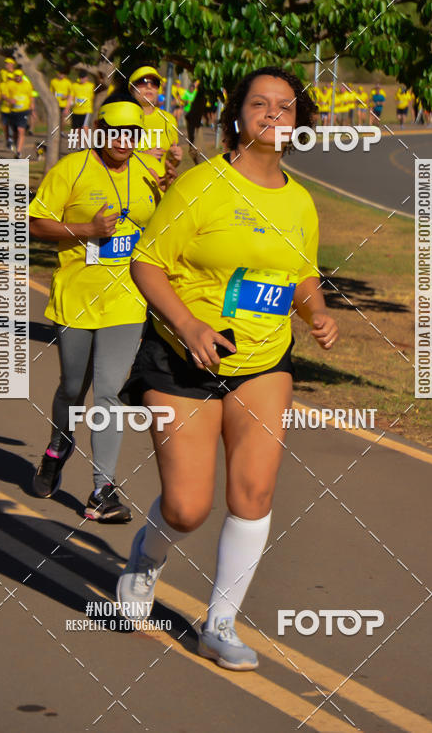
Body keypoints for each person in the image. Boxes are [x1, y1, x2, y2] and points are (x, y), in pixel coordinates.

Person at [117, 66, 339, 671]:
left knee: (254, 494)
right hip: (182, 357)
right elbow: (146, 264)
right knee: (188, 507)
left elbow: (301, 272)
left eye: (286, 107)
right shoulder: (199, 186)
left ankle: (220, 624)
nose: (273, 114)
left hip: (264, 361)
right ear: (236, 115)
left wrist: (317, 312)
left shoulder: (299, 200)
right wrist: (189, 326)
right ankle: (146, 556)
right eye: (260, 104)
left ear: (300, 123)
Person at [29, 99, 172, 520]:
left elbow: (164, 225)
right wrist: (86, 230)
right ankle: (58, 447)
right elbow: (35, 222)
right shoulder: (70, 170)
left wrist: (169, 190)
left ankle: (101, 491)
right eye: (118, 132)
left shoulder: (148, 171)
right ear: (99, 131)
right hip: (76, 297)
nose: (126, 141)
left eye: (134, 134)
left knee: (110, 393)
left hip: (127, 301)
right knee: (73, 388)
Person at [129, 66, 182, 165]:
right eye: (142, 81)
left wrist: (174, 158)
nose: (149, 86)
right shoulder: (123, 116)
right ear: (132, 88)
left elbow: (171, 164)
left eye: (154, 83)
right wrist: (142, 156)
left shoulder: (169, 119)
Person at [5, 69, 34, 158]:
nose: (17, 77)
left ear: (22, 76)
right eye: (16, 76)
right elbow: (3, 95)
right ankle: (14, 142)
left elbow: (31, 96)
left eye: (19, 76)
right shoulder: (10, 84)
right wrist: (9, 100)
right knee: (15, 132)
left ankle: (18, 151)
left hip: (24, 111)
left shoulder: (27, 84)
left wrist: (32, 106)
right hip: (13, 111)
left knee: (21, 130)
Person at [69, 70, 95, 143]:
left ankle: (86, 144)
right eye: (80, 77)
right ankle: (80, 145)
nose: (82, 79)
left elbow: (94, 98)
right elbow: (71, 97)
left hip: (87, 111)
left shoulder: (91, 86)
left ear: (87, 78)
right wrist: (67, 108)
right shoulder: (74, 86)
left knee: (85, 128)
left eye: (83, 77)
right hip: (76, 111)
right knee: (76, 130)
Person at [50, 67, 72, 136]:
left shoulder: (68, 82)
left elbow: (72, 94)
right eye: (60, 74)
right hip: (55, 104)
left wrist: (66, 96)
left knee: (63, 119)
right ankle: (55, 131)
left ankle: (61, 132)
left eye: (63, 74)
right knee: (55, 119)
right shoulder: (53, 81)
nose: (62, 75)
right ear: (57, 74)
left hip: (64, 104)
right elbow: (50, 93)